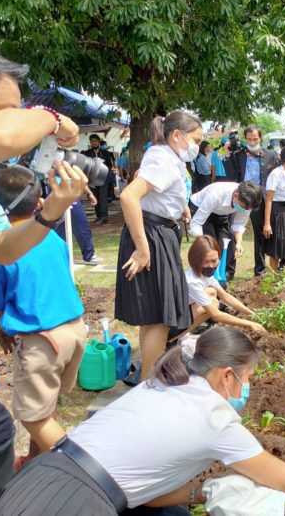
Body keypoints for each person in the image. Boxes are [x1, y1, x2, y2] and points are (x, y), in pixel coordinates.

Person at [0, 327, 285, 516]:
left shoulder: (160, 384)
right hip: (77, 505)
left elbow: (137, 485)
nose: (247, 386)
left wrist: (200, 493)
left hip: (39, 481)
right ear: (226, 375)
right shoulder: (214, 417)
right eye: (248, 377)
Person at [0, 42, 86, 516]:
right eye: (4, 110)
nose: (15, 121)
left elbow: (2, 247)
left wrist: (51, 212)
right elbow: (5, 138)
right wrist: (53, 118)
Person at [0, 165, 86, 469]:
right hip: (75, 330)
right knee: (46, 404)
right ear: (39, 201)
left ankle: (79, 471)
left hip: (43, 340)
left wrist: (0, 327)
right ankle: (37, 462)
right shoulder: (52, 239)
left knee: (33, 417)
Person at [116, 110, 203, 380]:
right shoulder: (163, 158)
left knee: (155, 316)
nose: (197, 147)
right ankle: (148, 384)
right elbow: (129, 196)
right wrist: (143, 249)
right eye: (196, 139)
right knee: (160, 319)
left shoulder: (166, 157)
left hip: (160, 232)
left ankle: (148, 380)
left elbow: (158, 196)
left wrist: (181, 210)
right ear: (177, 136)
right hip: (152, 237)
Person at [185, 236, 266, 333]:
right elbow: (216, 315)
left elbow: (225, 296)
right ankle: (175, 337)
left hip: (185, 312)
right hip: (173, 323)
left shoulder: (206, 276)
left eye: (214, 261)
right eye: (205, 262)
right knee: (212, 303)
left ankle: (182, 333)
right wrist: (248, 323)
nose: (211, 266)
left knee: (212, 294)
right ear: (195, 260)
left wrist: (252, 314)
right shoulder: (193, 281)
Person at [229, 125, 278, 276]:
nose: (251, 142)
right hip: (240, 197)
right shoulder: (238, 155)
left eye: (255, 139)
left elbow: (274, 177)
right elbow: (232, 175)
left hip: (259, 198)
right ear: (245, 139)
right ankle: (229, 270)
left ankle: (260, 270)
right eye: (249, 139)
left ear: (261, 138)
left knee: (260, 234)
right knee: (232, 231)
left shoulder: (270, 155)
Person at [189, 181, 264, 280]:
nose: (244, 209)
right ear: (236, 194)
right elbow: (197, 223)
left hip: (221, 212)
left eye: (247, 208)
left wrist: (239, 243)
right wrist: (204, 242)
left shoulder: (248, 203)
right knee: (211, 245)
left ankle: (226, 276)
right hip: (200, 208)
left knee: (228, 246)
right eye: (242, 206)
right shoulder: (216, 194)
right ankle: (207, 275)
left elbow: (239, 224)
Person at [55, 188, 104, 265]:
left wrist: (89, 193)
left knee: (60, 227)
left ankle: (61, 256)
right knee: (80, 224)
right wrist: (89, 193)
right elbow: (80, 177)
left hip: (61, 194)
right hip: (67, 194)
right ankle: (88, 255)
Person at [82, 134, 115, 224]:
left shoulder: (105, 153)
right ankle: (98, 216)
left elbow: (109, 165)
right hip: (92, 178)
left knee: (103, 196)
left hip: (103, 177)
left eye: (95, 141)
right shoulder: (87, 153)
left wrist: (102, 169)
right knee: (95, 196)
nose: (94, 142)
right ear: (90, 142)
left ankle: (104, 216)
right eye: (92, 141)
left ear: (98, 142)